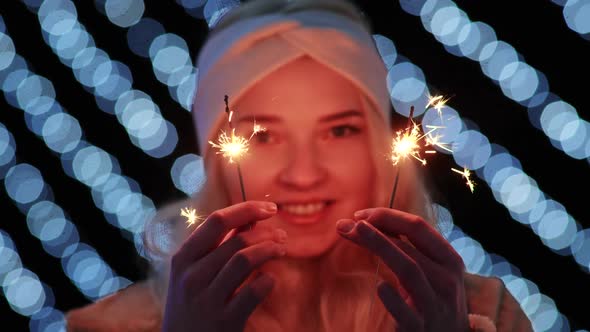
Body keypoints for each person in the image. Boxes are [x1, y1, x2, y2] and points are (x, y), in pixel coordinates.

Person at [66, 0, 533, 331]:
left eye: (340, 130)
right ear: (217, 154)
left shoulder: (484, 312)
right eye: (263, 136)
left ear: (378, 143)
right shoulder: (110, 327)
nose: (305, 174)